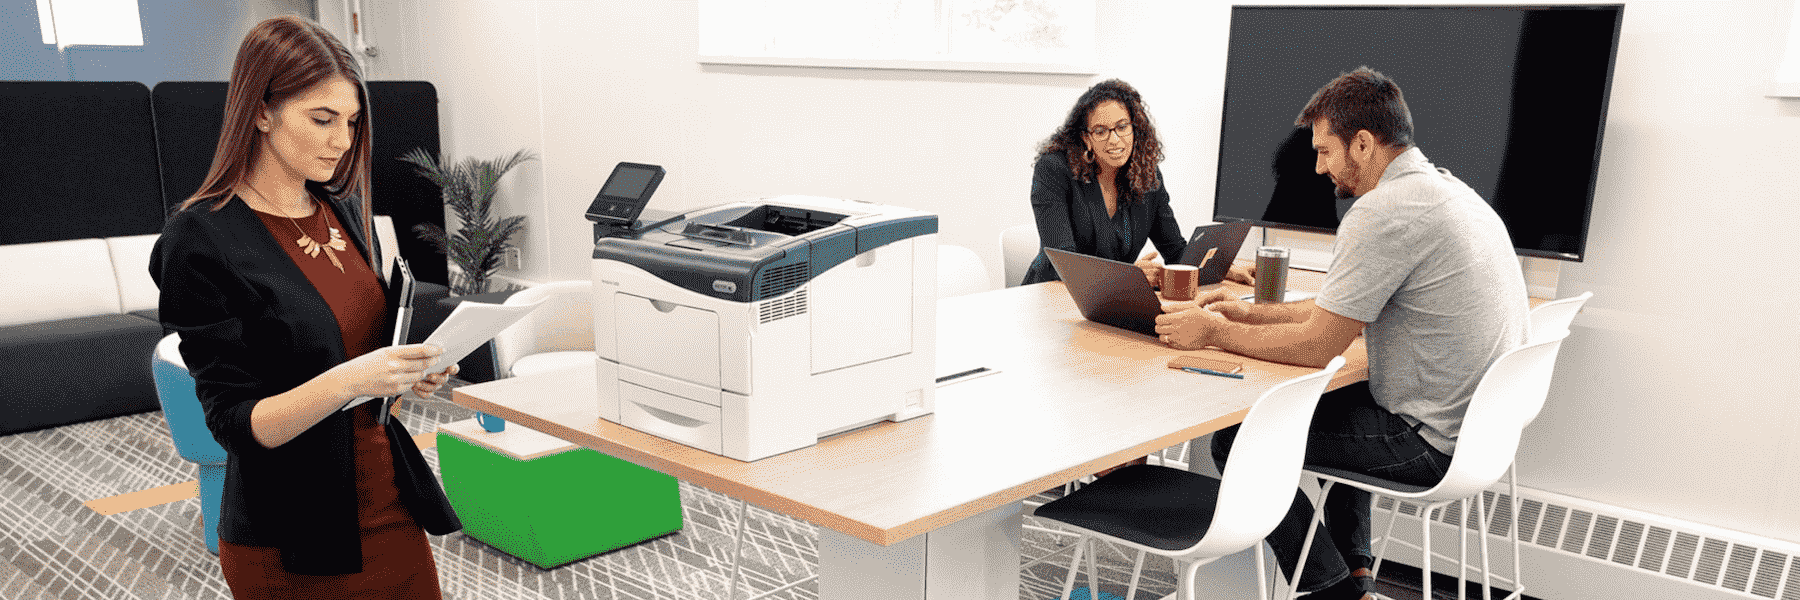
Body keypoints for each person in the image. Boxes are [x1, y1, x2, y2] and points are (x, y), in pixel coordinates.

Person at [1153, 67, 1528, 600]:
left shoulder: (1379, 212)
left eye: (1326, 151)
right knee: (1348, 392)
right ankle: (1358, 578)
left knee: (1238, 440)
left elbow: (1316, 347)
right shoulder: (1451, 192)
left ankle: (1333, 594)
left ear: (1364, 143)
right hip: (1478, 436)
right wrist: (1241, 313)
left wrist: (1212, 332)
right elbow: (1333, 311)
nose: (1318, 166)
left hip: (1425, 440)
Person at [150, 16, 461, 599]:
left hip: (387, 499)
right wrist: (351, 380)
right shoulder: (199, 238)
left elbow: (359, 348)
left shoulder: (338, 210)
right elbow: (237, 426)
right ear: (261, 111)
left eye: (350, 122)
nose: (341, 141)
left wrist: (403, 373)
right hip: (291, 531)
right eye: (321, 119)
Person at [1022, 79, 1254, 288]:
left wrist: (1219, 269)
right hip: (1051, 296)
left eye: (1122, 127)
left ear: (1135, 129)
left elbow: (1175, 251)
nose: (1114, 140)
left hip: (1109, 302)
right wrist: (1130, 275)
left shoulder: (1146, 175)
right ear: (1086, 138)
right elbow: (1061, 262)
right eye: (1101, 131)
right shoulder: (1054, 169)